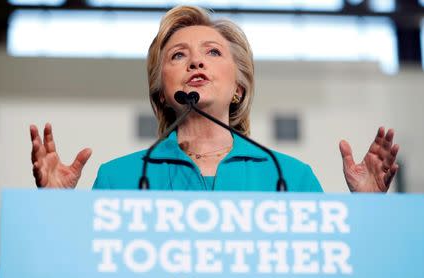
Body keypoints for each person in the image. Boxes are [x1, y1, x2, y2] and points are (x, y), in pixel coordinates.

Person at [29, 6, 399, 192]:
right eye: (177, 55)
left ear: (239, 88)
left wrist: (366, 211)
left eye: (213, 52)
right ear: (161, 91)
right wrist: (54, 207)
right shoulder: (118, 178)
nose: (196, 61)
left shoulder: (291, 178)